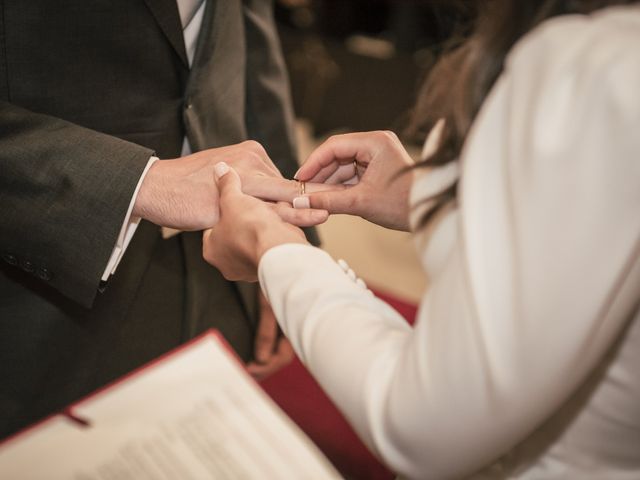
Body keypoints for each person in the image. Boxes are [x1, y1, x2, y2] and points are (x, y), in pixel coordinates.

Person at [202, 1, 640, 478]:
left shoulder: (600, 69)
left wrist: (276, 252)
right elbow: (580, 236)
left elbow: (420, 426)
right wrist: (426, 194)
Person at [0, 0, 327, 438]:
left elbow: (253, 58)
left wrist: (291, 241)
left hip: (223, 279)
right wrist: (144, 183)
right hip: (44, 291)